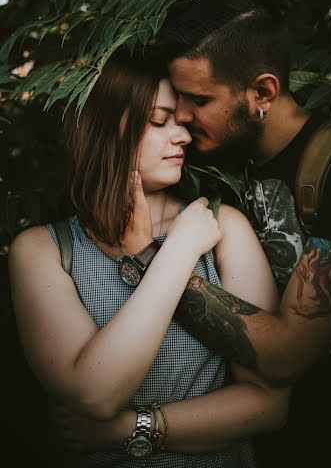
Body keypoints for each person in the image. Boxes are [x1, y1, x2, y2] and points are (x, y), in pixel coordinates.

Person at [151, 0, 331, 466]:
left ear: (262, 91)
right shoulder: (207, 155)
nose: (181, 116)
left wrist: (147, 260)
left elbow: (287, 355)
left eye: (197, 99)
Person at [8, 51, 290, 468]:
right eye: (159, 122)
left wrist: (132, 428)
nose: (183, 137)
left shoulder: (221, 229)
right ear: (102, 128)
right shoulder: (44, 250)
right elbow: (96, 392)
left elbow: (268, 406)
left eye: (182, 122)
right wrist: (175, 253)